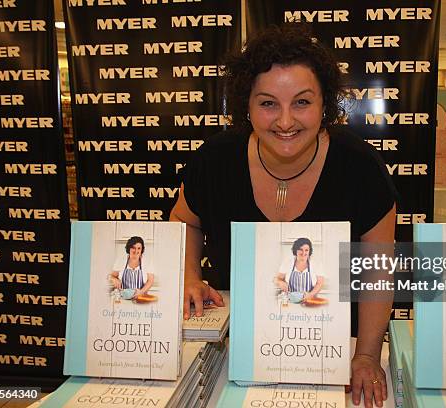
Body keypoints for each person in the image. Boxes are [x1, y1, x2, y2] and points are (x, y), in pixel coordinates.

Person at [170, 24, 397, 407]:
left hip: (333, 347)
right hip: (238, 345)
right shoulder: (215, 160)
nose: (286, 121)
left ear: (326, 103)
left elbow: (378, 269)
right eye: (269, 103)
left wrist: (366, 355)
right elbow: (185, 220)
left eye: (302, 102)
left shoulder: (360, 167)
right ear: (247, 104)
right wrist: (190, 275)